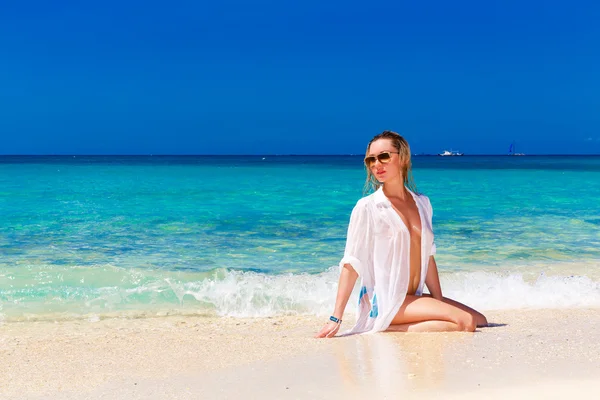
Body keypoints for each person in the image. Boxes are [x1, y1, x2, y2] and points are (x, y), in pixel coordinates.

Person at [316, 131, 487, 338]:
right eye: (371, 159)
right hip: (385, 298)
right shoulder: (368, 207)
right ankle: (380, 325)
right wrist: (336, 317)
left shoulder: (423, 203)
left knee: (480, 321)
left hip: (410, 298)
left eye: (384, 156)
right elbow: (351, 264)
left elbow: (428, 257)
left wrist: (438, 301)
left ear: (403, 158)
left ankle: (382, 325)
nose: (376, 164)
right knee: (465, 322)